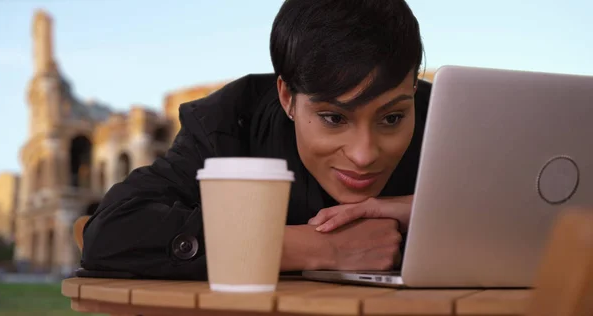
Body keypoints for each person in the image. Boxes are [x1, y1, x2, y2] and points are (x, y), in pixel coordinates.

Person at [81, 0, 432, 280]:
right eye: (333, 118)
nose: (364, 155)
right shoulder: (228, 123)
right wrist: (310, 247)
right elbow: (110, 233)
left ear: (413, 90)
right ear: (287, 97)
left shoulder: (449, 118)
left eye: (392, 118)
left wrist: (434, 213)